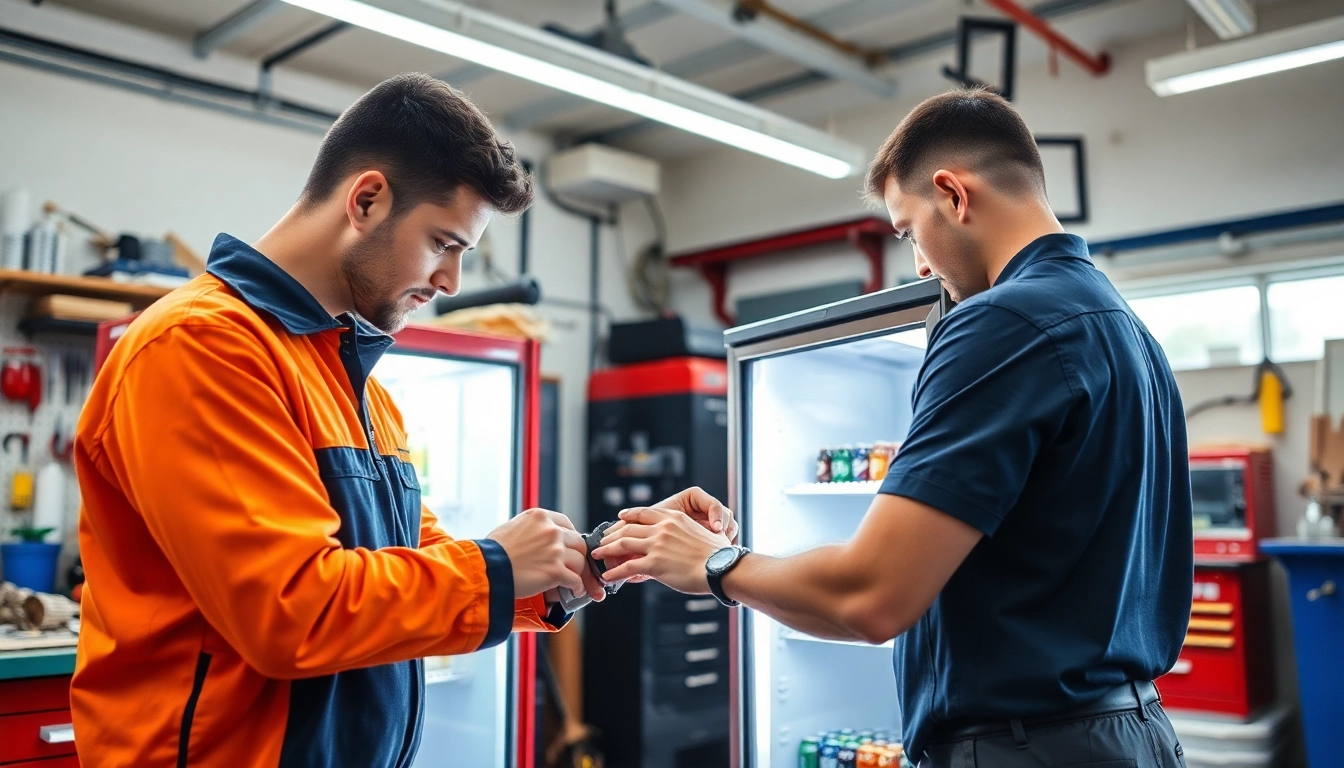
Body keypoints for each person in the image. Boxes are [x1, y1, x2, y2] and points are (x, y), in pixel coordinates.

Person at [593, 88, 1193, 768]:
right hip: (1132, 734)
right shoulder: (1126, 331)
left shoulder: (1004, 322)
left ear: (953, 195)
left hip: (1028, 749)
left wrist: (714, 564)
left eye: (909, 231)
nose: (920, 266)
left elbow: (874, 596)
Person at [71, 74, 617, 767]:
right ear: (366, 200)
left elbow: (409, 574)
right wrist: (498, 567)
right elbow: (289, 612)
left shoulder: (358, 386)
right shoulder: (200, 348)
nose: (450, 281)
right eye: (444, 243)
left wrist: (575, 566)